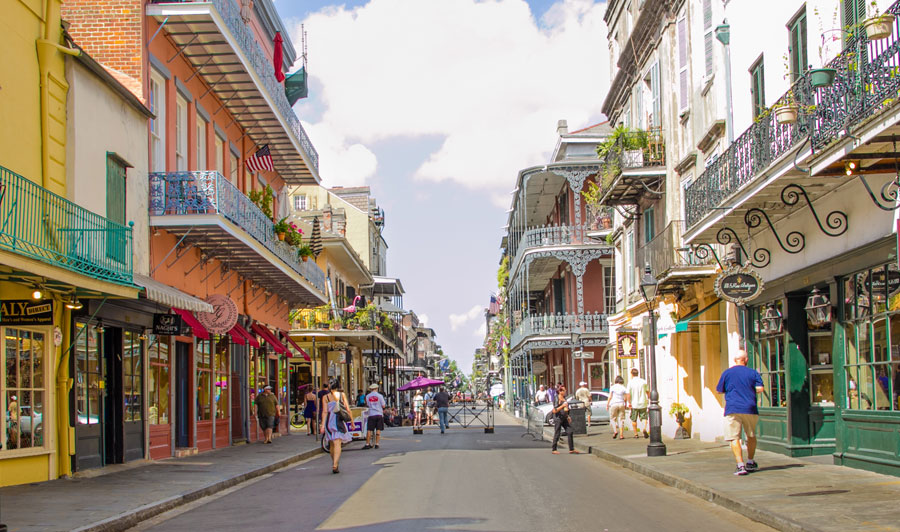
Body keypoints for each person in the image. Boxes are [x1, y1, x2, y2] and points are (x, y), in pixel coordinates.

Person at [716, 350, 764, 476]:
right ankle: (750, 461)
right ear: (746, 360)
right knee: (751, 435)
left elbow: (719, 390)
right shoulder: (753, 373)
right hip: (750, 407)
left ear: (734, 359)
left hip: (733, 408)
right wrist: (749, 389)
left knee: (734, 437)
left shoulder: (727, 373)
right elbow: (760, 388)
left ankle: (740, 465)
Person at [321, 380, 353, 474]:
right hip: (338, 421)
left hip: (328, 422)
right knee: (337, 443)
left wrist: (322, 425)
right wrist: (351, 421)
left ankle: (335, 463)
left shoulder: (325, 397)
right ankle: (335, 464)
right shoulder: (342, 395)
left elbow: (324, 411)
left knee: (331, 443)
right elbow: (347, 409)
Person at [550, 385, 578, 454]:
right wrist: (562, 406)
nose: (565, 391)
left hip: (564, 417)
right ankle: (554, 449)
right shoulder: (557, 398)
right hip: (558, 418)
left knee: (570, 431)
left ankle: (571, 449)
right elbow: (554, 410)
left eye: (565, 390)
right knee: (557, 433)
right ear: (560, 391)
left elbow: (565, 409)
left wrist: (567, 416)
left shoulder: (564, 398)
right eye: (564, 390)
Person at [626, 368, 649, 438]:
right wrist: (649, 398)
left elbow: (628, 394)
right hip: (643, 402)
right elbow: (647, 391)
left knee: (634, 419)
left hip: (634, 404)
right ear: (638, 373)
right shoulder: (643, 381)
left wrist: (629, 402)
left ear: (632, 374)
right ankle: (644, 428)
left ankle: (636, 434)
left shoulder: (630, 382)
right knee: (644, 417)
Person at [362, 383, 386, 449]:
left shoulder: (367, 396)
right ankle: (377, 444)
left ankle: (367, 443)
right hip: (379, 414)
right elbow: (383, 405)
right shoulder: (380, 396)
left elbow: (367, 404)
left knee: (369, 429)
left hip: (371, 414)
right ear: (376, 389)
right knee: (378, 429)